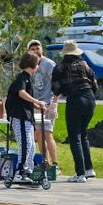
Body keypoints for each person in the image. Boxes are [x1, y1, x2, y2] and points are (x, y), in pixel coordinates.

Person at [52, 40, 97, 183]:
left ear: (65, 54)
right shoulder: (85, 65)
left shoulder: (60, 67)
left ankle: (80, 173)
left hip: (75, 100)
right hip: (90, 99)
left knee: (74, 136)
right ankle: (89, 169)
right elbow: (94, 83)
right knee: (83, 134)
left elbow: (56, 89)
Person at [5, 52, 44, 179]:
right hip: (19, 116)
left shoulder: (27, 78)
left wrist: (37, 106)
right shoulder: (22, 78)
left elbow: (25, 99)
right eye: (37, 64)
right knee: (25, 144)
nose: (38, 66)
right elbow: (21, 93)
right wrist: (36, 101)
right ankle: (20, 171)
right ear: (32, 65)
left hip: (27, 117)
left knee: (31, 144)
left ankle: (28, 169)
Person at [27, 40, 58, 171]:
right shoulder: (30, 65)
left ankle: (55, 164)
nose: (35, 51)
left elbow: (56, 84)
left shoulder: (48, 64)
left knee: (48, 133)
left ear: (42, 50)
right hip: (36, 104)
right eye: (32, 49)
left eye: (37, 48)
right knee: (38, 134)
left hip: (48, 103)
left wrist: (54, 103)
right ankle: (45, 162)